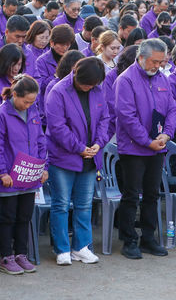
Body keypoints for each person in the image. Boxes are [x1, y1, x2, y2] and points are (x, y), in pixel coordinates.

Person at [115, 39, 176, 259]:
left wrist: (167, 134)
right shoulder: (126, 80)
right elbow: (127, 117)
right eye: (154, 61)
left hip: (157, 146)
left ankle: (148, 237)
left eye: (162, 62)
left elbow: (172, 108)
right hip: (133, 149)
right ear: (141, 57)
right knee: (131, 194)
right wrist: (147, 141)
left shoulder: (162, 78)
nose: (158, 66)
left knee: (153, 194)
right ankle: (129, 239)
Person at [45, 57, 109, 265]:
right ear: (76, 75)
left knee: (84, 204)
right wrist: (79, 148)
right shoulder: (58, 91)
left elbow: (105, 119)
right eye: (87, 84)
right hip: (64, 157)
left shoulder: (98, 90)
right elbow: (57, 127)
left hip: (91, 156)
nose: (89, 88)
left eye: (93, 85)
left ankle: (81, 246)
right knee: (61, 204)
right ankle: (62, 248)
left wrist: (99, 143)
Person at [0, 75, 47, 274]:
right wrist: (2, 172)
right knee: (8, 217)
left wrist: (43, 168)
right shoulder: (1, 114)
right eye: (26, 101)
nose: (28, 105)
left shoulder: (34, 111)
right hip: (9, 177)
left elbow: (40, 141)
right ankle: (7, 256)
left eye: (32, 102)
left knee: (25, 216)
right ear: (15, 95)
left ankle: (21, 254)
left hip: (30, 175)